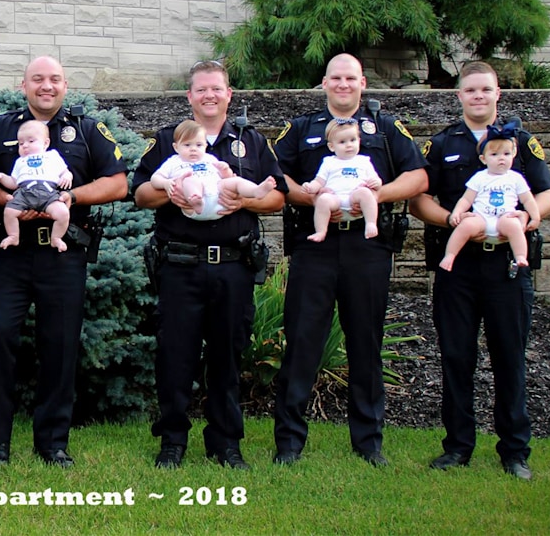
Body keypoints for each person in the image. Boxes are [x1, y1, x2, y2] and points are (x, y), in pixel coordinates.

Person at [272, 53, 427, 467]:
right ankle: (288, 443)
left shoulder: (386, 127)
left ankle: (368, 442)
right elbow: (274, 174)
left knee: (366, 342)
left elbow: (418, 177)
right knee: (302, 341)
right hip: (315, 246)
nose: (343, 85)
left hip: (367, 248)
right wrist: (309, 196)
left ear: (362, 83)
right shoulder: (302, 128)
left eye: (351, 78)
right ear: (324, 83)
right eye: (336, 78)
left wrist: (376, 196)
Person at [0, 56, 127, 468]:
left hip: (63, 254)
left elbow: (118, 181)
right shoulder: (2, 127)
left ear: (65, 85)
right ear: (23, 85)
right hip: (11, 251)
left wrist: (70, 198)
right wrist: (10, 202)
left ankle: (53, 443)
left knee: (59, 346)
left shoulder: (87, 128)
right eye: (38, 79)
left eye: (55, 79)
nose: (47, 86)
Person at [133, 60, 286, 470]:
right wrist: (172, 194)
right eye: (201, 89)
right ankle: (172, 442)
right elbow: (140, 194)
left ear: (228, 93)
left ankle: (225, 443)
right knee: (175, 356)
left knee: (228, 356)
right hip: (180, 266)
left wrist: (246, 199)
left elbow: (279, 197)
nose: (209, 96)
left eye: (216, 89)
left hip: (234, 267)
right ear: (190, 96)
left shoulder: (250, 141)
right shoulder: (169, 140)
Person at [410, 61, 550, 480]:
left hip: (508, 265)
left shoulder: (522, 143)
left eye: (485, 90)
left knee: (509, 357)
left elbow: (547, 197)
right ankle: (458, 447)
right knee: (457, 356)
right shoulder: (441, 144)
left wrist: (525, 221)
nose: (478, 96)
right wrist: (454, 223)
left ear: (497, 94)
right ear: (459, 96)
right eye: (470, 90)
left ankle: (514, 451)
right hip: (458, 266)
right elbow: (420, 200)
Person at [438, 126, 540, 274]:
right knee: (465, 226)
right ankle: (450, 255)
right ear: (483, 159)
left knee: (514, 226)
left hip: (505, 217)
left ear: (513, 155)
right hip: (481, 218)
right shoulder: (480, 177)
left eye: (506, 153)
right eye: (494, 154)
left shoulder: (515, 178)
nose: (501, 158)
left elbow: (528, 200)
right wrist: (456, 213)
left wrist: (534, 217)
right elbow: (466, 199)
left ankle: (520, 257)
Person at [149, 119, 277, 221]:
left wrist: (225, 171)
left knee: (236, 181)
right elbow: (155, 178)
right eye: (187, 145)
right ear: (176, 147)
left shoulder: (209, 158)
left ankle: (256, 191)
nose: (193, 149)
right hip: (193, 207)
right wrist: (166, 184)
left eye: (198, 145)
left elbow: (224, 178)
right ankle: (197, 199)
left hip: (219, 201)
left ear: (205, 145)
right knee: (189, 180)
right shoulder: (174, 161)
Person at [0, 119, 73, 250]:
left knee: (63, 213)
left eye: (31, 141)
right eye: (21, 143)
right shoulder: (20, 161)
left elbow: (65, 171)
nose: (25, 146)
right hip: (24, 193)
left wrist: (66, 177)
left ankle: (56, 238)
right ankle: (13, 236)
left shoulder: (52, 156)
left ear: (46, 143)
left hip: (49, 193)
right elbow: (13, 183)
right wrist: (1, 177)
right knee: (9, 211)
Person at [301, 118, 382, 242]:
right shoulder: (329, 162)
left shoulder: (364, 161)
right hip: (336, 199)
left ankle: (370, 223)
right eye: (342, 142)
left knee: (366, 193)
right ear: (331, 146)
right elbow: (319, 181)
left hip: (355, 198)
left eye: (353, 140)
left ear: (359, 141)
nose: (349, 145)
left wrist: (376, 182)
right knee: (323, 200)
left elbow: (375, 179)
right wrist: (311, 187)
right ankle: (321, 231)